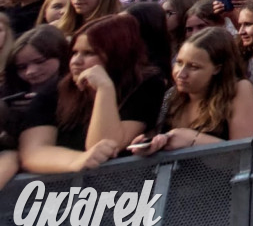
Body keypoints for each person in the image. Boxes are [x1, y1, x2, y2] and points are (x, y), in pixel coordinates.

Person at [19, 15, 165, 172]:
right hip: (61, 190)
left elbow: (104, 144)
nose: (76, 61)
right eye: (74, 52)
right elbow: (33, 153)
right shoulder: (57, 89)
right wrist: (78, 160)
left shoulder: (145, 84)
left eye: (89, 53)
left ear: (117, 54)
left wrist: (104, 89)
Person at [132, 27, 253, 152]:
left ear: (217, 68)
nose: (181, 74)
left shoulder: (239, 89)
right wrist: (150, 144)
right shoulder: (171, 95)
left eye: (193, 67)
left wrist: (192, 139)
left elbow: (245, 154)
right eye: (179, 63)